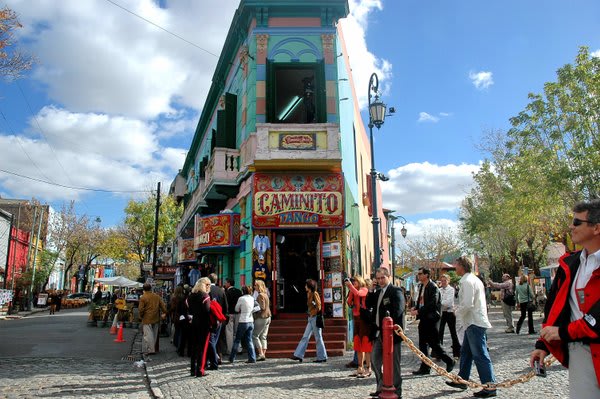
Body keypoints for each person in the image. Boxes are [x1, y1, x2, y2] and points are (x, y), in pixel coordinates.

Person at [530, 199, 600, 398]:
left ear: (596, 228)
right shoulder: (569, 264)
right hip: (580, 353)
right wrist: (543, 344)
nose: (571, 226)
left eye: (577, 222)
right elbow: (556, 308)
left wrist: (562, 332)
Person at [446, 256, 497, 398]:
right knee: (466, 352)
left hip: (474, 322)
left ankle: (489, 385)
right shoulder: (473, 280)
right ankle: (463, 379)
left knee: (480, 354)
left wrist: (457, 312)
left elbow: (468, 304)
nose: (455, 267)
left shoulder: (467, 282)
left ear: (462, 266)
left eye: (456, 265)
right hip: (472, 322)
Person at [410, 267, 455, 375]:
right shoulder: (422, 286)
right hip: (424, 319)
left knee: (434, 344)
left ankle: (449, 360)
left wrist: (418, 311)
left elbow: (432, 304)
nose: (418, 275)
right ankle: (425, 367)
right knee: (422, 344)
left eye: (420, 273)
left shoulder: (433, 287)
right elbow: (421, 301)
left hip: (431, 319)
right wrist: (415, 308)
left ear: (426, 275)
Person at [368, 267, 405, 399]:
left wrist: (396, 330)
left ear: (388, 276)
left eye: (382, 278)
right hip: (378, 332)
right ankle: (381, 385)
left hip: (391, 334)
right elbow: (368, 304)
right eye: (378, 278)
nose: (380, 280)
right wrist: (371, 290)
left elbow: (399, 312)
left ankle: (397, 390)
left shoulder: (395, 291)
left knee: (394, 364)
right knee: (374, 360)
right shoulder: (378, 292)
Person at [290, 279, 327, 363]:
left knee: (318, 337)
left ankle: (322, 356)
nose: (305, 287)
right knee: (305, 336)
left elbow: (319, 306)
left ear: (310, 286)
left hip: (314, 318)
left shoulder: (315, 293)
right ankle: (298, 355)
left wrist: (312, 313)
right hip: (310, 318)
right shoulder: (308, 294)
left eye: (306, 285)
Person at [344, 275, 372, 377]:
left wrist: (351, 287)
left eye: (354, 281)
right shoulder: (353, 290)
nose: (352, 283)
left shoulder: (364, 289)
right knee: (358, 344)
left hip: (364, 319)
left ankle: (369, 367)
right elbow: (348, 302)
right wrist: (351, 290)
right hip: (356, 319)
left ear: (359, 281)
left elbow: (360, 294)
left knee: (366, 344)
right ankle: (360, 367)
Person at [187, 277, 211, 377]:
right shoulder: (205, 296)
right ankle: (200, 370)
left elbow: (188, 309)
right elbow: (207, 311)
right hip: (203, 324)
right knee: (202, 348)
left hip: (192, 323)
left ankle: (193, 369)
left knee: (193, 347)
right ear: (205, 285)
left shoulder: (190, 296)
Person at [229, 285, 257, 364]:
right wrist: (252, 311)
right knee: (249, 340)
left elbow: (236, 309)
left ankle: (232, 358)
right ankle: (252, 357)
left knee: (237, 339)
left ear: (243, 291)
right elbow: (257, 307)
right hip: (251, 320)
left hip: (243, 321)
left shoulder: (241, 298)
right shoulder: (252, 298)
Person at [138, 283, 167, 358]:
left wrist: (141, 316)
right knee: (154, 334)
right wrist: (165, 313)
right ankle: (149, 348)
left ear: (143, 289)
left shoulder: (143, 297)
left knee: (148, 334)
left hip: (147, 318)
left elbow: (140, 309)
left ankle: (150, 349)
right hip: (156, 317)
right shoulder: (156, 296)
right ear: (150, 288)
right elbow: (163, 306)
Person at [207, 273, 228, 370]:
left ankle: (212, 359)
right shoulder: (221, 290)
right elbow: (225, 306)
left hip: (210, 319)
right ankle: (219, 357)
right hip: (220, 319)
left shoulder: (207, 290)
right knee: (219, 339)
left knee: (211, 340)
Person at [439, 273, 461, 358]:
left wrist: (440, 303)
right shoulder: (439, 290)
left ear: (448, 281)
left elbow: (448, 302)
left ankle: (456, 352)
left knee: (453, 332)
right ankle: (438, 353)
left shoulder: (451, 289)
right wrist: (441, 303)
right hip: (442, 313)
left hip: (449, 312)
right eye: (442, 281)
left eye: (445, 280)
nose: (443, 282)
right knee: (440, 332)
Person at [252, 280, 271, 361]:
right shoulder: (266, 294)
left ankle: (261, 353)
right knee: (263, 336)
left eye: (256, 285)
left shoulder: (260, 295)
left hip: (261, 317)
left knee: (255, 335)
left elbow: (262, 307)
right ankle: (263, 354)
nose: (254, 287)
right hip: (268, 317)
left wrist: (252, 310)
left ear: (259, 286)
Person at [224, 278, 242, 355]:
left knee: (229, 332)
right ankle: (239, 348)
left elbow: (226, 304)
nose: (225, 284)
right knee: (237, 331)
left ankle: (230, 349)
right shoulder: (239, 291)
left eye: (226, 282)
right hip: (238, 313)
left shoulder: (227, 292)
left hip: (230, 314)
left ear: (229, 283)